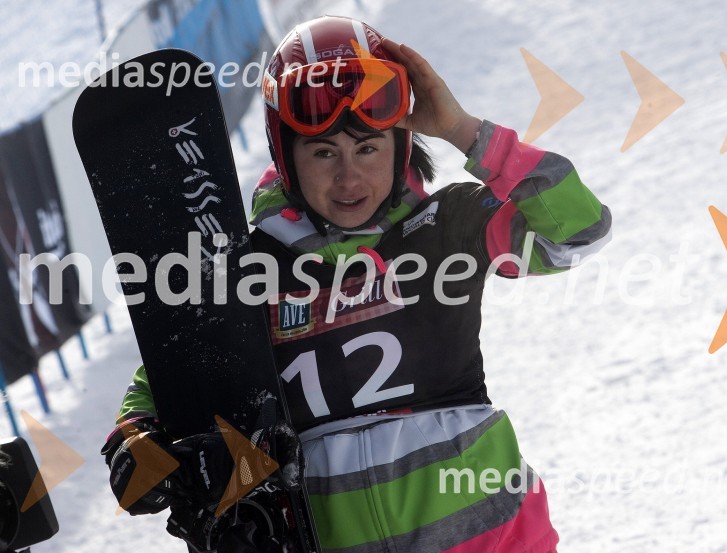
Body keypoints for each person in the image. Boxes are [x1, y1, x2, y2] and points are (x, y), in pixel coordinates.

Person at [101, 15, 611, 553]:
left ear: (401, 145)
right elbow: (166, 380)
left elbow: (578, 232)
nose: (349, 178)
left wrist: (462, 129)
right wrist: (136, 442)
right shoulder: (249, 270)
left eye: (367, 148)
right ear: (286, 156)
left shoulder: (448, 226)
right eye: (323, 152)